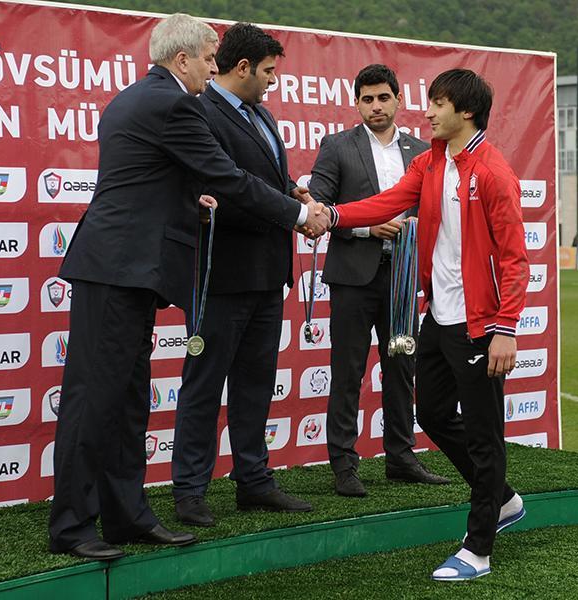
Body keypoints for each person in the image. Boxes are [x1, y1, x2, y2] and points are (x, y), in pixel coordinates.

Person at [48, 13, 329, 561]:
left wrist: (192, 204)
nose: (212, 68)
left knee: (128, 401)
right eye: (206, 59)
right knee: (94, 401)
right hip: (117, 269)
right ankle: (71, 527)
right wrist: (299, 215)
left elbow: (158, 181)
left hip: (130, 271)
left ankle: (126, 516)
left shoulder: (145, 97)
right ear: (182, 60)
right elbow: (227, 177)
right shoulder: (172, 104)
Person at [324, 69, 529, 581]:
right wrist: (332, 215)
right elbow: (388, 203)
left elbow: (514, 259)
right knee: (432, 414)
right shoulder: (431, 161)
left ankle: (478, 549)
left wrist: (506, 327)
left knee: (485, 439)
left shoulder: (494, 172)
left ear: (466, 112)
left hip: (481, 325)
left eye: (438, 104)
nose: (428, 112)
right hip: (438, 317)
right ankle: (502, 498)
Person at [171, 23, 312, 526]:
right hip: (220, 275)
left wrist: (292, 192)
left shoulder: (262, 113)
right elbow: (224, 186)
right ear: (244, 67)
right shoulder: (199, 111)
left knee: (255, 386)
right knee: (204, 387)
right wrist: (293, 213)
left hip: (268, 274)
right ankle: (190, 490)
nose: (274, 80)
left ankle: (254, 480)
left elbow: (266, 179)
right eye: (269, 71)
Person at [309, 64, 448, 497]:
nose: (376, 106)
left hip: (403, 276)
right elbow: (320, 208)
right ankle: (344, 465)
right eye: (367, 99)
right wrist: (367, 228)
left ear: (398, 100)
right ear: (356, 103)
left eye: (383, 98)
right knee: (347, 373)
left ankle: (401, 457)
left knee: (402, 368)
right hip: (353, 277)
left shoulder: (422, 151)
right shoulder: (337, 146)